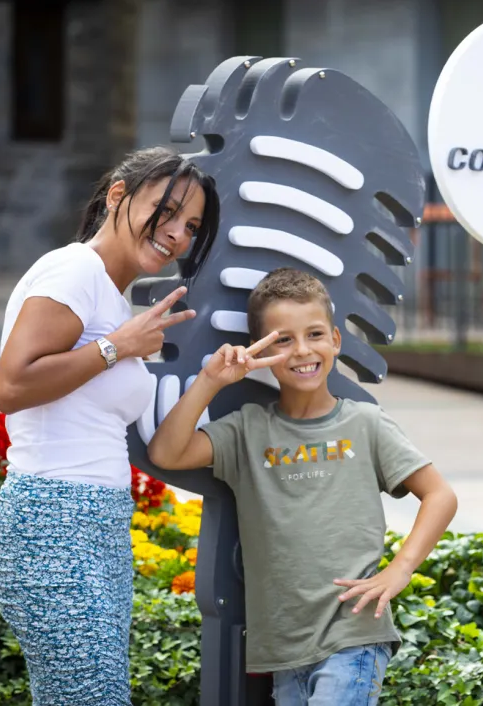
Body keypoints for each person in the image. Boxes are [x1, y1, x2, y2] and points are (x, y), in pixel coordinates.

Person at [147, 267, 458, 706]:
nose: (302, 351)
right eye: (283, 340)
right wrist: (211, 381)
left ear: (334, 338)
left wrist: (401, 568)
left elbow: (440, 495)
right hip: (284, 649)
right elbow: (167, 453)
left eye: (314, 334)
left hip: (353, 632)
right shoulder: (247, 431)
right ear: (262, 349)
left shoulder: (365, 423)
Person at [0, 146, 220, 705]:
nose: (177, 234)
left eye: (191, 225)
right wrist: (120, 347)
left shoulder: (112, 297)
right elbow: (12, 387)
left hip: (96, 524)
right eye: (167, 212)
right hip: (51, 522)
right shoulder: (74, 270)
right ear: (118, 195)